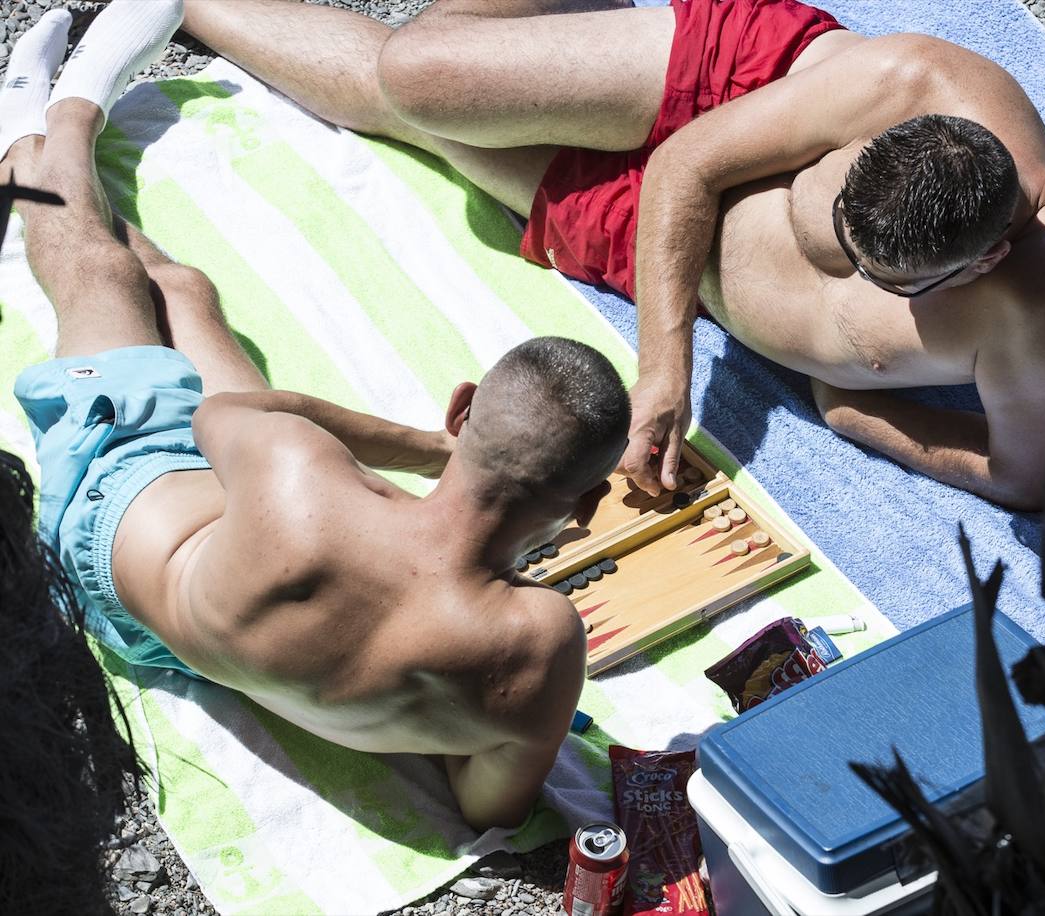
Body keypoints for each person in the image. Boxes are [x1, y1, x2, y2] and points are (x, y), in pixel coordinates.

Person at [4, 2, 630, 830]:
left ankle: (49, 121)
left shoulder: (302, 469)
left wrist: (419, 451)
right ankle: (71, 164)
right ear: (583, 507)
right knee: (184, 291)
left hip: (114, 537)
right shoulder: (542, 646)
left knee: (105, 278)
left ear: (462, 408)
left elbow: (218, 418)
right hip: (210, 643)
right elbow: (489, 803)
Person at [182, 0, 1045, 511]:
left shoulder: (1044, 306)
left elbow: (1028, 475)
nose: (855, 279)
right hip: (738, 89)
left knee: (407, 120)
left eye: (885, 284)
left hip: (654, 238)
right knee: (420, 73)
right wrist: (665, 370)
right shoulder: (912, 82)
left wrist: (854, 415)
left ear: (982, 265)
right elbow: (692, 160)